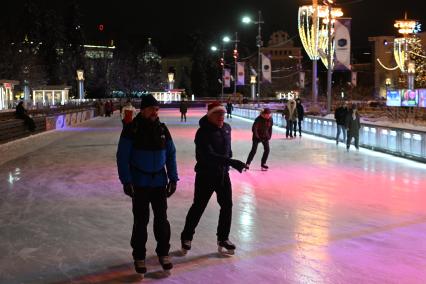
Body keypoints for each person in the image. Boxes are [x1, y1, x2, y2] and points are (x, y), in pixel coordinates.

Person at [116, 94, 178, 275]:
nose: (155, 112)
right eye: (151, 109)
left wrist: (173, 178)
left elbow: (171, 154)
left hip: (159, 182)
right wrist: (126, 181)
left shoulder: (162, 129)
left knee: (161, 220)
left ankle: (163, 253)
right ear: (142, 110)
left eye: (157, 109)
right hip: (140, 183)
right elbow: (122, 157)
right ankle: (139, 256)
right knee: (141, 221)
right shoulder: (131, 129)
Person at [180, 102, 247, 256]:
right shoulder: (202, 133)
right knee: (199, 206)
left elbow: (227, 149)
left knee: (227, 205)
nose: (221, 117)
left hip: (223, 174)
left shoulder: (227, 128)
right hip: (205, 175)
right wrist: (231, 162)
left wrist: (229, 159)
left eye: (223, 114)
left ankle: (223, 238)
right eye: (218, 114)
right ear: (210, 115)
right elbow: (208, 156)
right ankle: (187, 237)